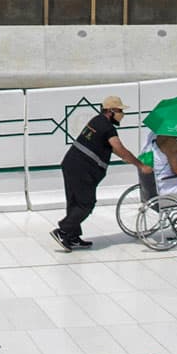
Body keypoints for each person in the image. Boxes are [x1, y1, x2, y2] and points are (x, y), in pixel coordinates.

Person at [53, 95, 147, 253]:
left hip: (71, 164)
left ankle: (72, 237)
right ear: (111, 111)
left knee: (75, 202)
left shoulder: (97, 120)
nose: (122, 115)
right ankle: (63, 231)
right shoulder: (107, 127)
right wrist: (140, 165)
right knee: (86, 203)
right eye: (120, 111)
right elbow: (119, 149)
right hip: (82, 168)